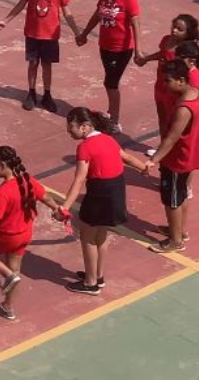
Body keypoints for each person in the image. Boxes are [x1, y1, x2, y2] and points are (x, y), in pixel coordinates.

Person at [0, 146, 61, 321]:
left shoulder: (4, 191)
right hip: (24, 235)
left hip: (5, 236)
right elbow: (46, 197)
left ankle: (8, 276)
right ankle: (7, 307)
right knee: (15, 268)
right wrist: (57, 209)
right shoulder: (27, 181)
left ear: (1, 165)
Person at [56, 107, 149, 294]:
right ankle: (98, 275)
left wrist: (64, 207)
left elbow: (80, 178)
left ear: (84, 127)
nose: (68, 130)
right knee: (101, 234)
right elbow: (127, 158)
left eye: (71, 126)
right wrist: (144, 167)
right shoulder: (109, 139)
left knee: (88, 237)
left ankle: (90, 283)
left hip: (99, 193)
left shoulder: (84, 147)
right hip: (116, 191)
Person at [144, 54, 199, 253]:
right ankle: (179, 230)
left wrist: (153, 160)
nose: (165, 84)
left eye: (168, 81)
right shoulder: (195, 93)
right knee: (181, 195)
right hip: (190, 156)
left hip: (177, 160)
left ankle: (175, 241)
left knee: (171, 199)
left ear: (181, 80)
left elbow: (171, 138)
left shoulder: (183, 109)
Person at [75, 0, 141, 130]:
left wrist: (138, 50)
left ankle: (115, 120)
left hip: (121, 49)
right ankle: (111, 112)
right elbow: (98, 14)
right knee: (109, 82)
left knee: (111, 83)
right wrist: (85, 34)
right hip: (105, 46)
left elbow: (135, 25)